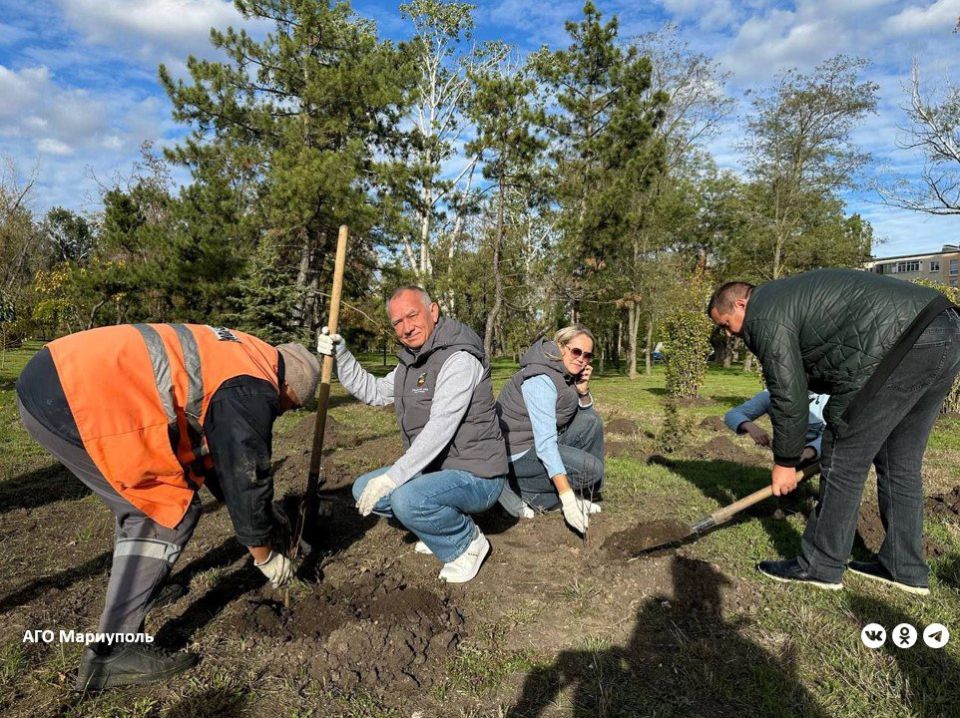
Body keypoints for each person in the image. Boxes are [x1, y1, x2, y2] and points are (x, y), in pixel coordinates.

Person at [15, 324, 319, 690]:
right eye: (290, 407)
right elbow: (244, 474)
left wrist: (265, 518)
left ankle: (144, 587)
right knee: (161, 513)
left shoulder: (247, 354)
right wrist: (265, 556)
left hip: (54, 378)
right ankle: (112, 653)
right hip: (72, 397)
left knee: (149, 501)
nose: (281, 412)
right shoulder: (252, 387)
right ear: (289, 388)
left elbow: (222, 466)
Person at [708, 268, 960, 594]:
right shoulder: (787, 299)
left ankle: (821, 565)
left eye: (725, 324)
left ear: (741, 305)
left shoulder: (764, 315)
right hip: (946, 328)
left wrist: (785, 462)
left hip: (900, 342)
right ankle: (905, 568)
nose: (728, 335)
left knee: (843, 455)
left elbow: (788, 394)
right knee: (899, 460)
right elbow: (822, 365)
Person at [316, 287, 507, 584]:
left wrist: (393, 477)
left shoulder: (459, 358)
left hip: (478, 474)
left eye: (412, 316)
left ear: (434, 311)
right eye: (397, 322)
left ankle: (466, 543)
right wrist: (342, 356)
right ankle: (437, 528)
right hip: (440, 469)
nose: (406, 328)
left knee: (406, 498)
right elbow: (375, 392)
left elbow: (441, 426)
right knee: (363, 489)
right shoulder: (412, 362)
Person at [494, 325, 604, 534]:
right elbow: (545, 444)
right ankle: (517, 488)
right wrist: (568, 499)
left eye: (588, 355)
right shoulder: (541, 379)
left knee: (591, 422)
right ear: (561, 346)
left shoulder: (563, 373)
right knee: (591, 469)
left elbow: (582, 418)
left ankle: (580, 491)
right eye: (576, 351)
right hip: (515, 455)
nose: (582, 359)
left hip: (535, 442)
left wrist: (582, 392)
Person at [724, 390, 828, 464]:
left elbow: (831, 435)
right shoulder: (771, 394)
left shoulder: (828, 398)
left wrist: (809, 451)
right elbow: (732, 415)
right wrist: (750, 426)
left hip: (824, 454)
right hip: (786, 454)